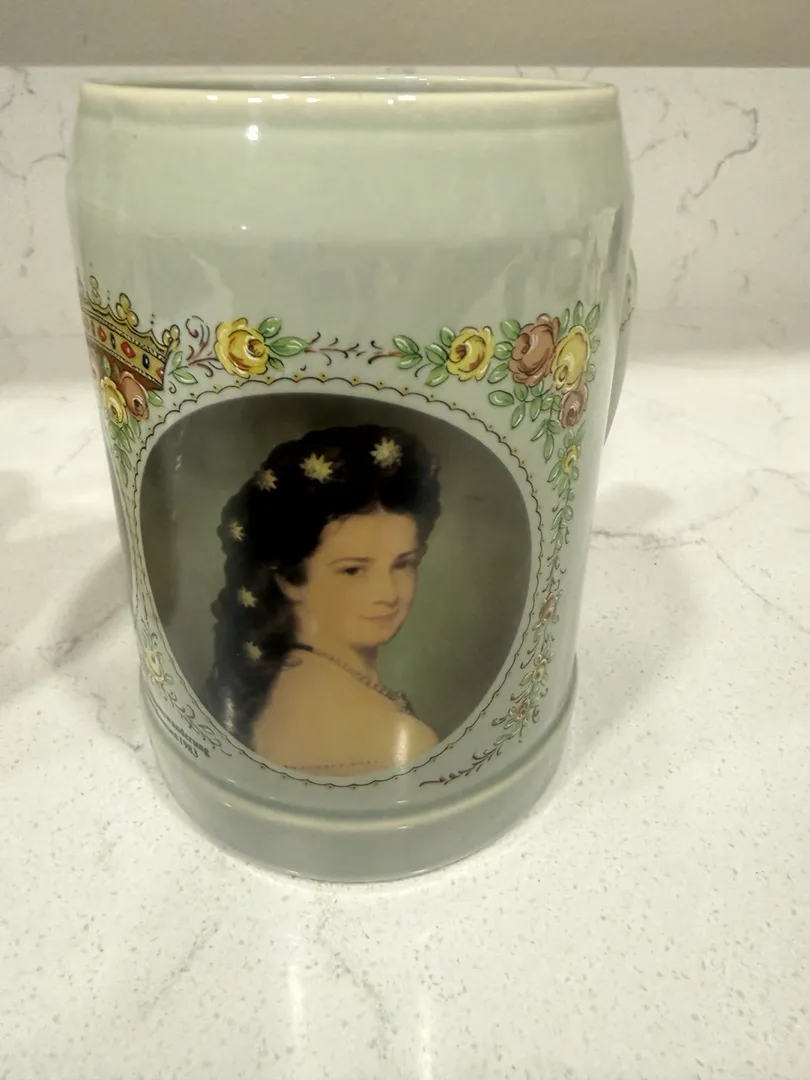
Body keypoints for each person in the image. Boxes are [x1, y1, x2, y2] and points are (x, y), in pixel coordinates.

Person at [208, 423, 441, 777]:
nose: (388, 594)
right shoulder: (399, 737)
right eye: (353, 570)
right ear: (290, 578)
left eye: (403, 564)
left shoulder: (282, 676)